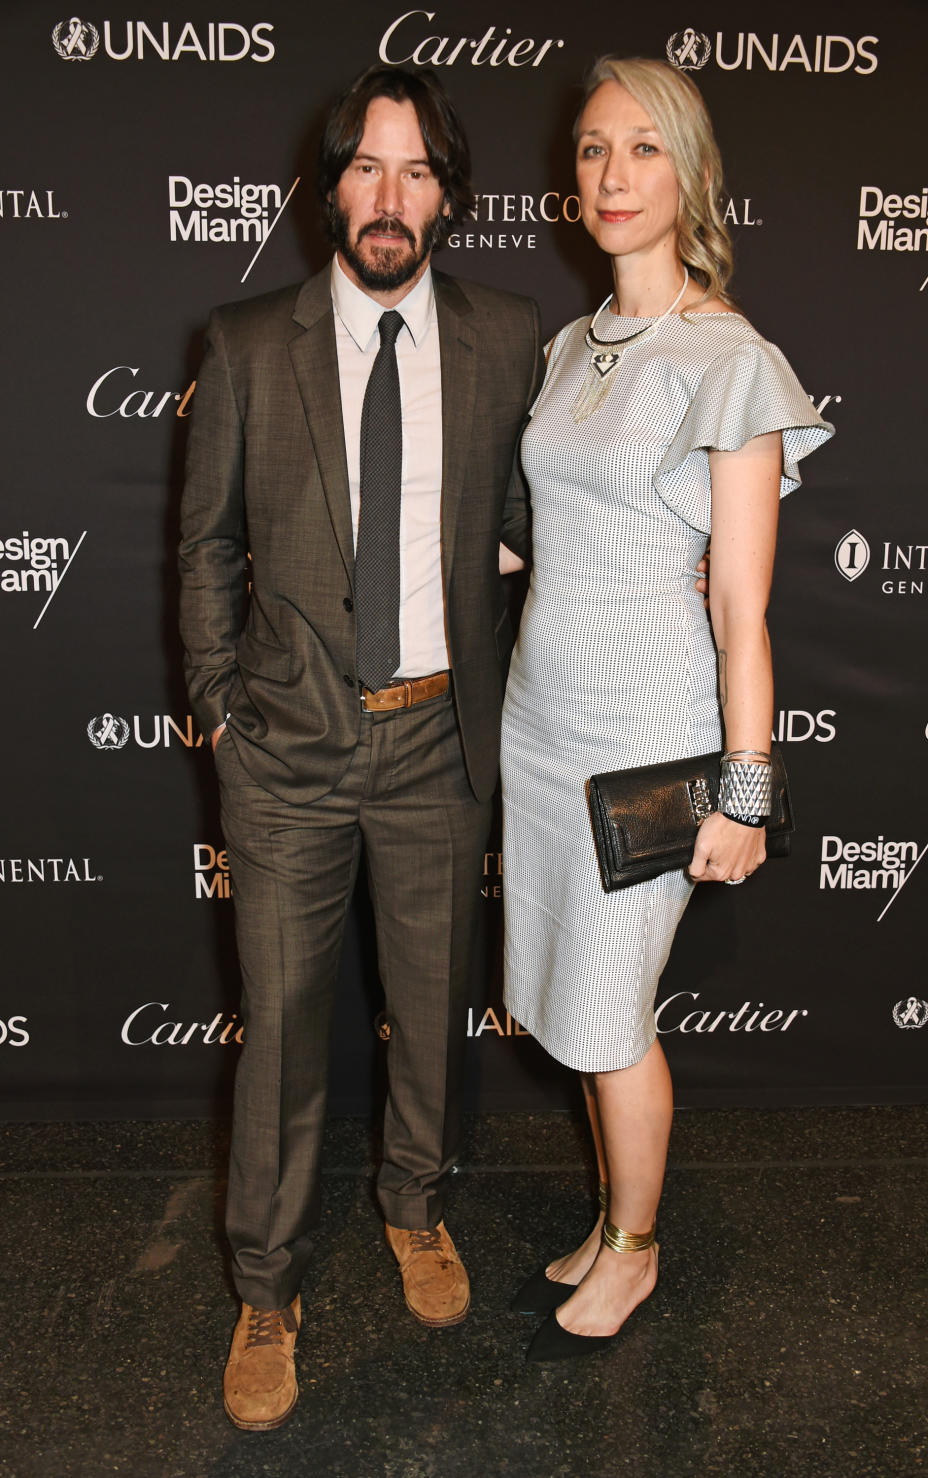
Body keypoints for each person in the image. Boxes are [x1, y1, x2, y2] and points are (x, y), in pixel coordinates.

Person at [179, 65, 542, 1429]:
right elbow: (207, 543)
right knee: (280, 1031)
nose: (391, 200)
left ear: (450, 197)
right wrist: (225, 700)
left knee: (433, 1011)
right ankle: (264, 1283)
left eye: (419, 173)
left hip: (436, 743)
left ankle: (413, 1202)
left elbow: (525, 511)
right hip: (288, 756)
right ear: (331, 182)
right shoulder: (247, 340)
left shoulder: (509, 338)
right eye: (368, 168)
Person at [501, 56, 834, 1362]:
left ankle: (635, 1252)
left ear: (687, 172)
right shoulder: (571, 346)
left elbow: (743, 604)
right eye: (591, 150)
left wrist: (746, 787)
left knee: (611, 1009)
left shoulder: (729, 360)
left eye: (642, 149)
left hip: (647, 740)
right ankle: (610, 1215)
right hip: (540, 725)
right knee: (579, 1008)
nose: (613, 175)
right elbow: (545, 537)